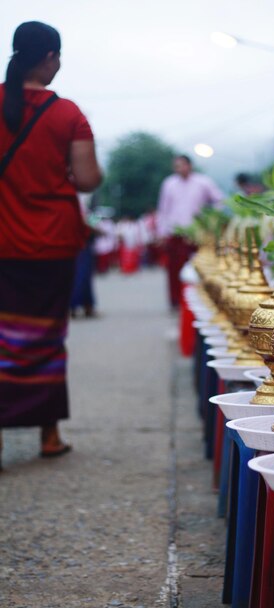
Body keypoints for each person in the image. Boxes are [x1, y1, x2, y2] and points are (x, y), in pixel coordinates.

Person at [0, 22, 102, 464]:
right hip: (53, 245)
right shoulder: (68, 114)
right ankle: (48, 435)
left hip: (3, 241)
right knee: (45, 337)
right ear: (48, 59)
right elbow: (87, 180)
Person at [156, 155, 224, 308]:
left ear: (189, 165)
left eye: (181, 165)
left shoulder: (203, 182)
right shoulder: (169, 183)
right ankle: (176, 300)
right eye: (176, 166)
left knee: (198, 268)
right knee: (174, 269)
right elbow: (163, 209)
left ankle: (200, 300)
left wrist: (211, 221)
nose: (179, 169)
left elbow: (219, 200)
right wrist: (161, 233)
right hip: (175, 233)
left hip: (197, 234)